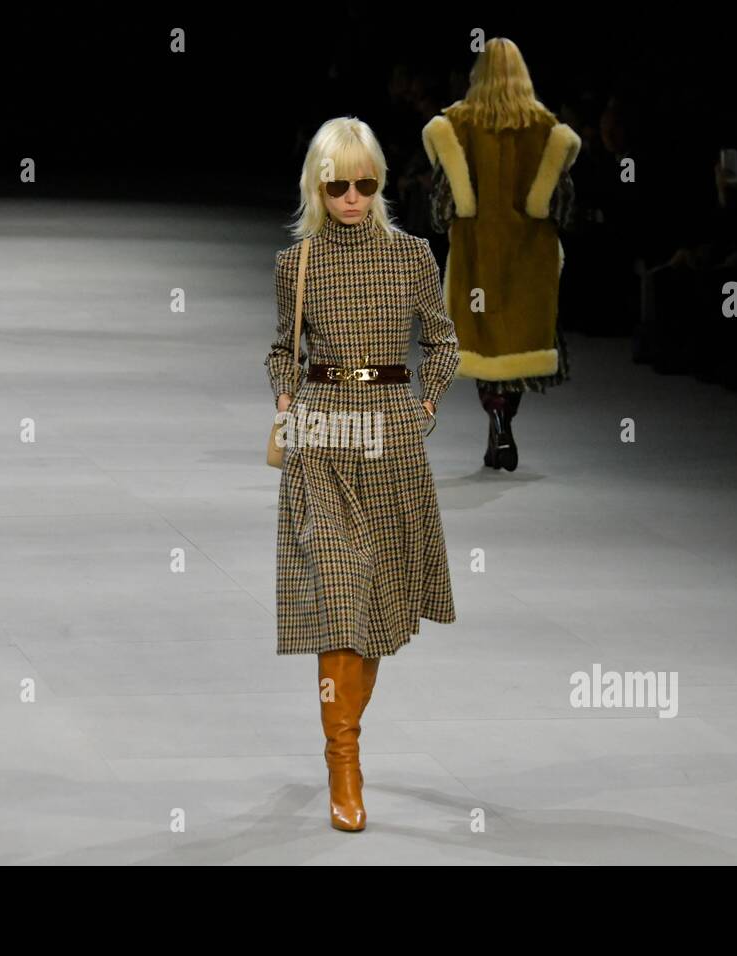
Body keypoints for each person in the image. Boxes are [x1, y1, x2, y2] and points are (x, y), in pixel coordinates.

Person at [264, 116, 460, 831]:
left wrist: (427, 406)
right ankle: (343, 765)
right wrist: (286, 393)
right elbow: (282, 349)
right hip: (321, 439)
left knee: (374, 615)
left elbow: (442, 340)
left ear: (380, 183)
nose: (352, 196)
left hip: (391, 440)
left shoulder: (411, 257)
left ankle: (345, 747)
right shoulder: (298, 263)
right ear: (319, 185)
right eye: (339, 184)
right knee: (340, 598)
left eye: (365, 183)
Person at [422, 37, 581, 470]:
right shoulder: (547, 131)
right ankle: (503, 419)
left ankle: (495, 415)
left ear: (477, 75)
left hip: (476, 255)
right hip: (530, 257)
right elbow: (564, 208)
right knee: (515, 344)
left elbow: (440, 210)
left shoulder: (455, 127)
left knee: (483, 341)